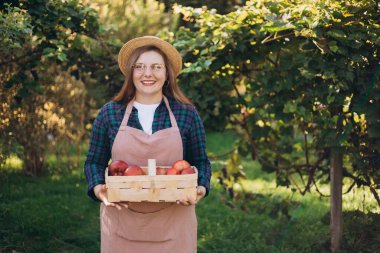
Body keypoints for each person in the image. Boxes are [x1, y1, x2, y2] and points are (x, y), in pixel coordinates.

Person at [84, 36, 212, 253]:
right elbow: (94, 162)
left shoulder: (186, 114)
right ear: (131, 73)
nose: (147, 74)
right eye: (140, 67)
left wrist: (200, 188)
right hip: (121, 224)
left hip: (175, 224)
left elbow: (200, 161)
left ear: (167, 73)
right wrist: (99, 190)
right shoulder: (110, 113)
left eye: (156, 67)